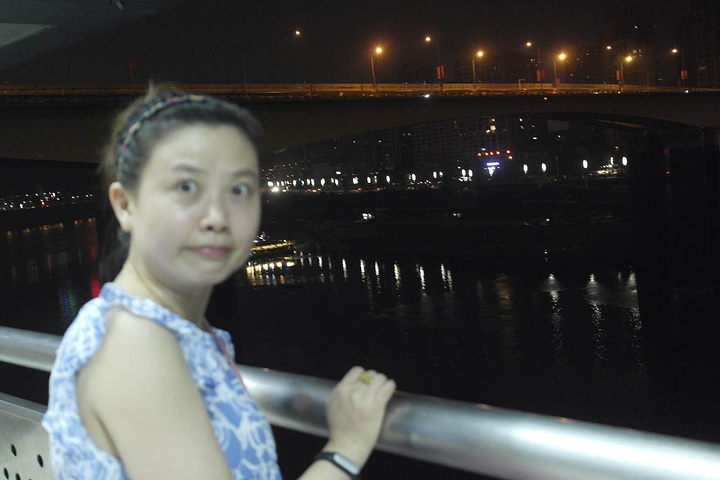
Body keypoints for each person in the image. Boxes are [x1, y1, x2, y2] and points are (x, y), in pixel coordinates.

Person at [42, 85, 396, 479]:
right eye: (186, 187)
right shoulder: (134, 346)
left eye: (239, 190)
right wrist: (346, 447)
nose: (217, 216)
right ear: (125, 205)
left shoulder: (154, 326)